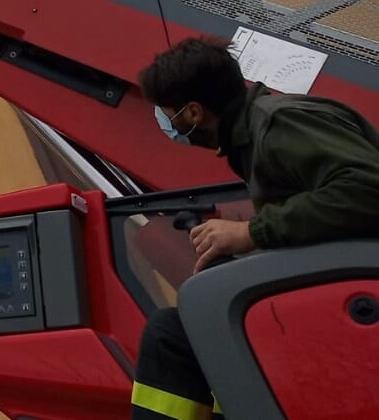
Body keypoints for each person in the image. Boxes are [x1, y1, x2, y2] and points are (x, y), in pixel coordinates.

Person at [129, 36, 379, 420]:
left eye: (169, 113)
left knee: (173, 338)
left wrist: (251, 233)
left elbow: (366, 189)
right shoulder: (260, 134)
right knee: (212, 322)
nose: (168, 124)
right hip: (343, 296)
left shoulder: (280, 124)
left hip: (356, 303)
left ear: (193, 112)